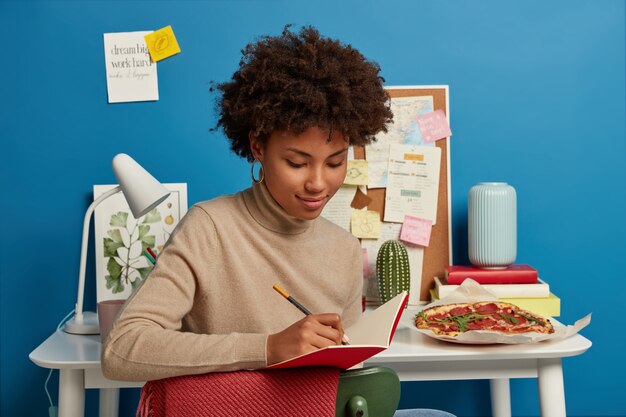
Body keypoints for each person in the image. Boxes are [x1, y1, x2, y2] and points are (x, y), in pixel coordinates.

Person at [101, 25, 455, 417]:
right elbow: (122, 349)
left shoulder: (344, 249)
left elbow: (346, 377)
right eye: (296, 162)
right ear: (257, 146)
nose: (318, 183)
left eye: (336, 162)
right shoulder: (209, 227)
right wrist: (267, 348)